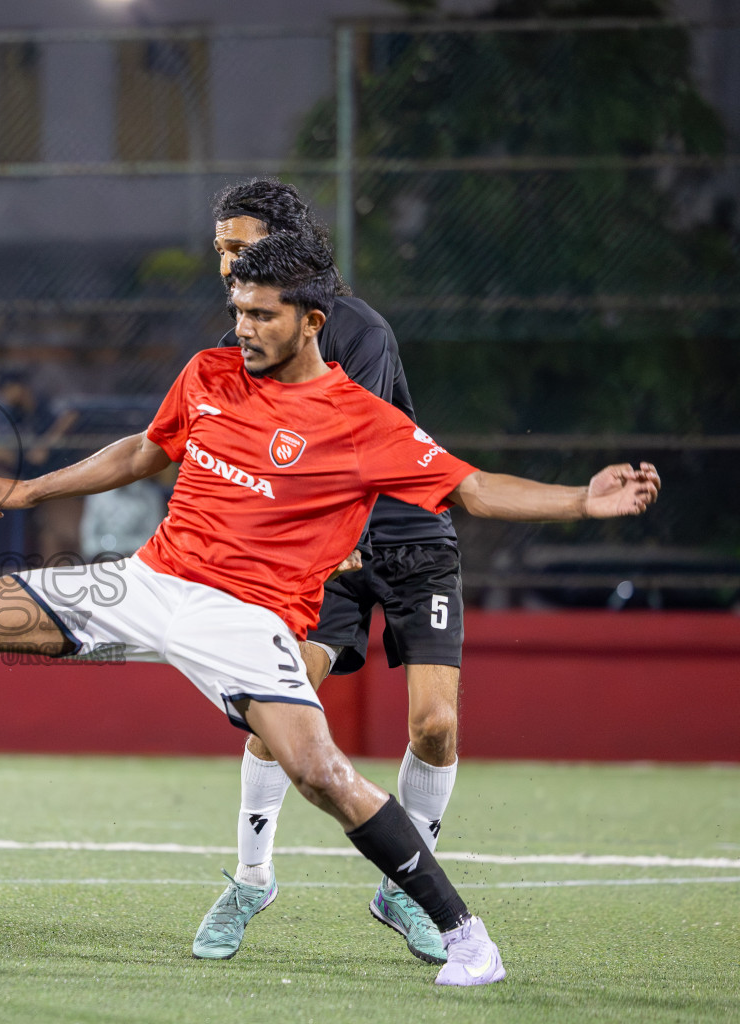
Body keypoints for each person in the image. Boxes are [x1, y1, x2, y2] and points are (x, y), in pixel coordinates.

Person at [0, 231, 658, 986]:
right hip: (144, 584)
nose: (241, 327)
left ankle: (466, 937)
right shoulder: (209, 375)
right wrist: (31, 489)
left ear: (312, 320)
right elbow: (140, 452)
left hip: (246, 623)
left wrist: (582, 499)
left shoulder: (362, 424)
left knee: (322, 776)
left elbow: (474, 488)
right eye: (236, 309)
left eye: (260, 314)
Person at [206, 178, 473, 964]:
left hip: (407, 533)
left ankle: (403, 891)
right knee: (281, 700)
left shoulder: (359, 331)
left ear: (283, 244)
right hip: (323, 547)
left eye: (238, 246)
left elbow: (359, 450)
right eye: (220, 249)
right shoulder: (240, 344)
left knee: (436, 725)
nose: (225, 264)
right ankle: (252, 879)